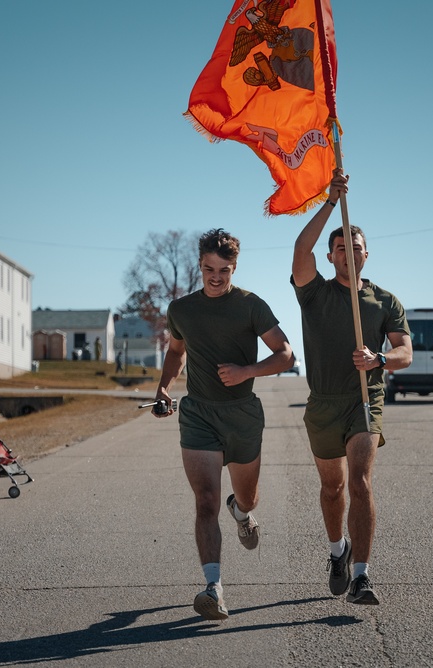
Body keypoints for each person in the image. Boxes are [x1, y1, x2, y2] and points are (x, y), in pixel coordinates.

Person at [153, 228, 294, 621]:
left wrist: (247, 370)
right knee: (205, 502)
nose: (215, 277)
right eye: (208, 269)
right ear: (199, 265)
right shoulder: (181, 310)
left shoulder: (251, 306)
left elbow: (285, 355)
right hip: (199, 414)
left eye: (224, 270)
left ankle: (243, 512)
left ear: (235, 268)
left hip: (242, 414)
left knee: (245, 498)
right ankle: (213, 588)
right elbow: (176, 353)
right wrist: (164, 387)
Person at [291, 170, 413, 605]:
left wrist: (380, 359)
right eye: (341, 249)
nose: (349, 254)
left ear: (367, 254)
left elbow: (405, 352)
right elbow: (300, 248)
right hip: (323, 403)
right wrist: (330, 201)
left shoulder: (384, 301)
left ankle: (362, 575)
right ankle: (337, 552)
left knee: (360, 482)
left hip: (365, 399)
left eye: (355, 249)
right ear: (331, 256)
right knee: (333, 489)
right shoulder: (314, 293)